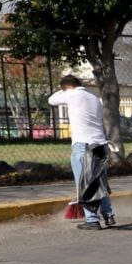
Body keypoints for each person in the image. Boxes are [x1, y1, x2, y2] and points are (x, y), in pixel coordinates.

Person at [49, 75, 114, 230]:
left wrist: (63, 91)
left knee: (85, 185)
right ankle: (109, 215)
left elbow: (51, 100)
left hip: (83, 147)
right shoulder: (94, 98)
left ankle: (92, 220)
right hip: (101, 145)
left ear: (66, 87)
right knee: (100, 183)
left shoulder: (71, 94)